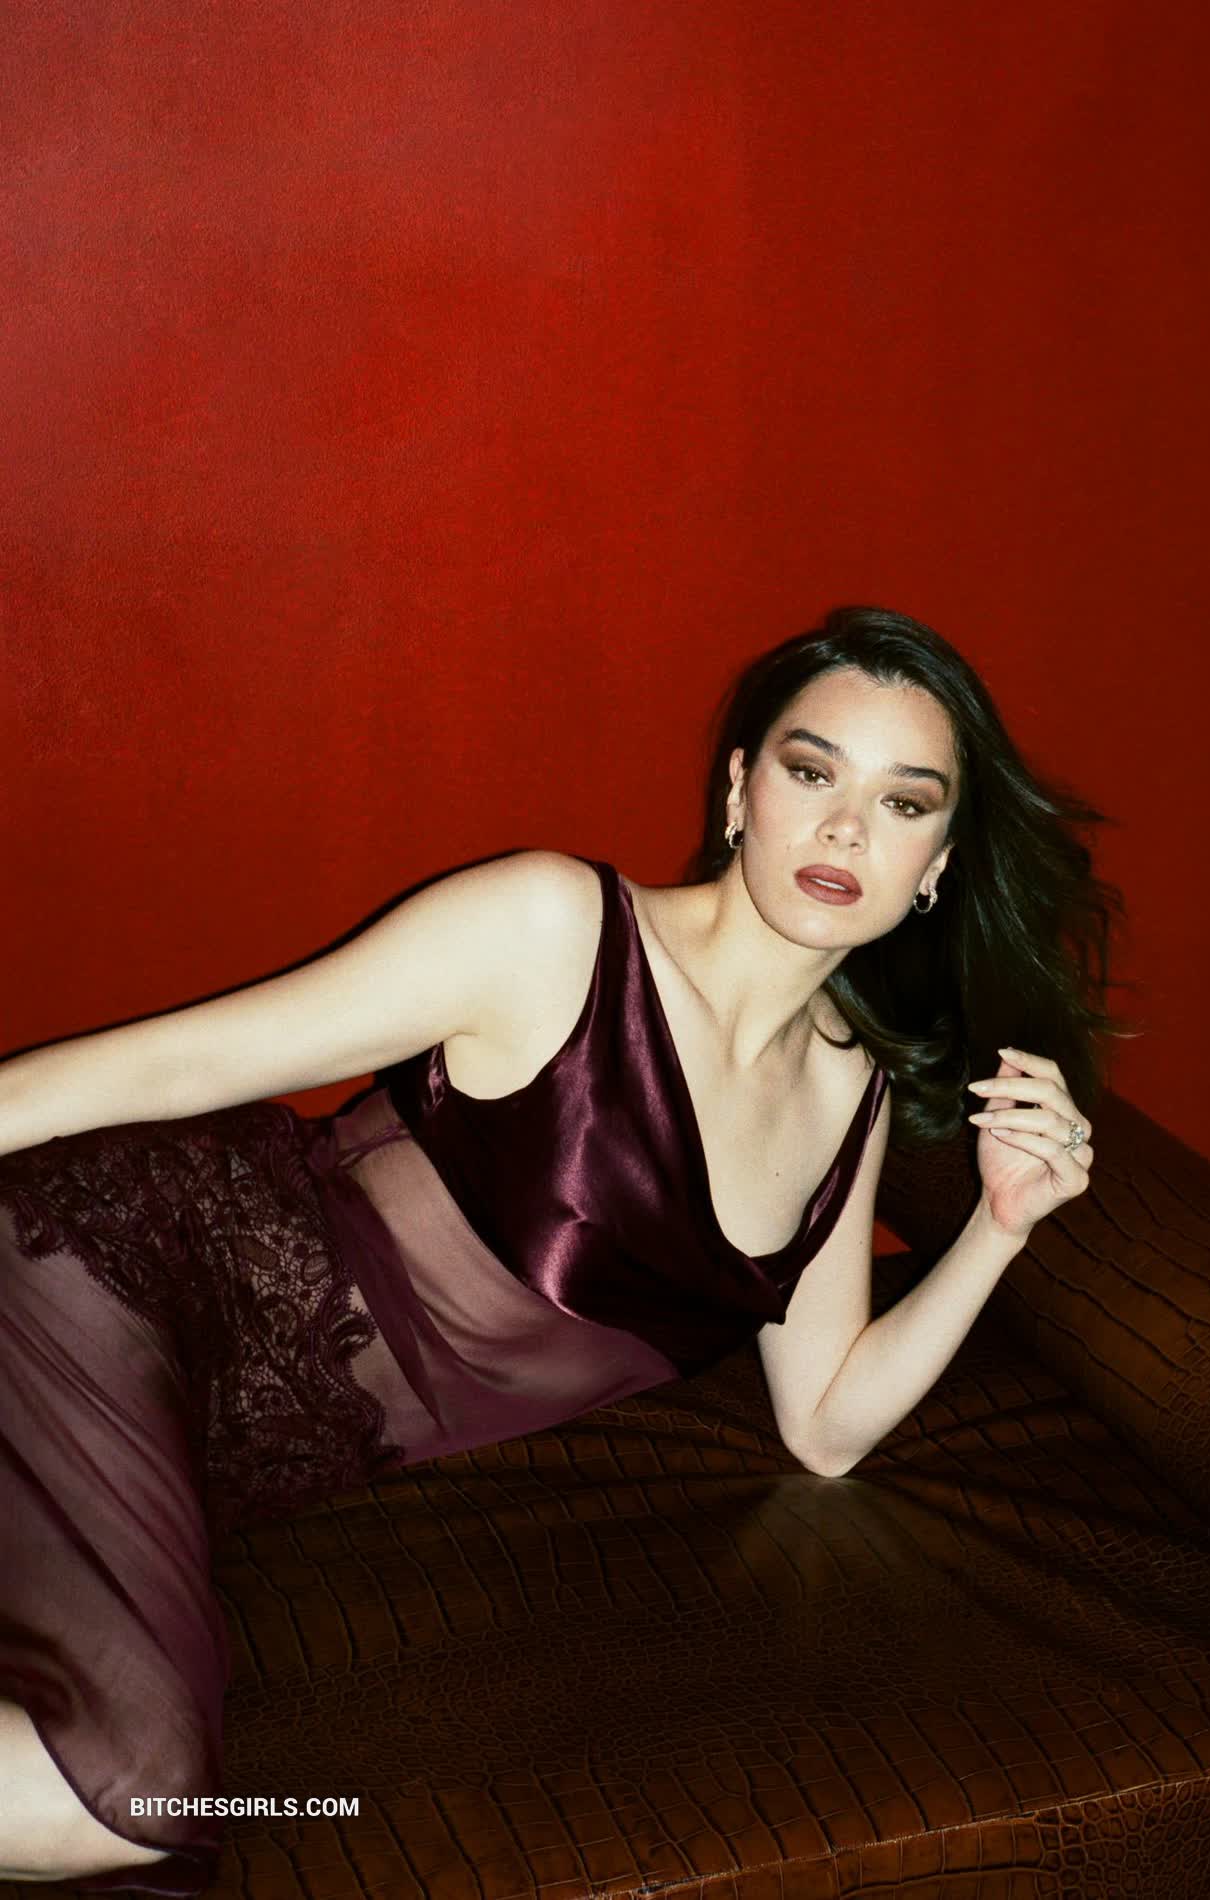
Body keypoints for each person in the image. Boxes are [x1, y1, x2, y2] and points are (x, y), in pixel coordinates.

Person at [0, 605, 1127, 1890]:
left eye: (903, 802)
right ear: (740, 790)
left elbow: (825, 1424)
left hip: (211, 1445)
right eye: (812, 773)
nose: (846, 830)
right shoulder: (554, 930)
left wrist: (999, 1226)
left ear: (938, 861)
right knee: (136, 1798)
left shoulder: (846, 1097)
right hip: (106, 1270)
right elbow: (182, 1064)